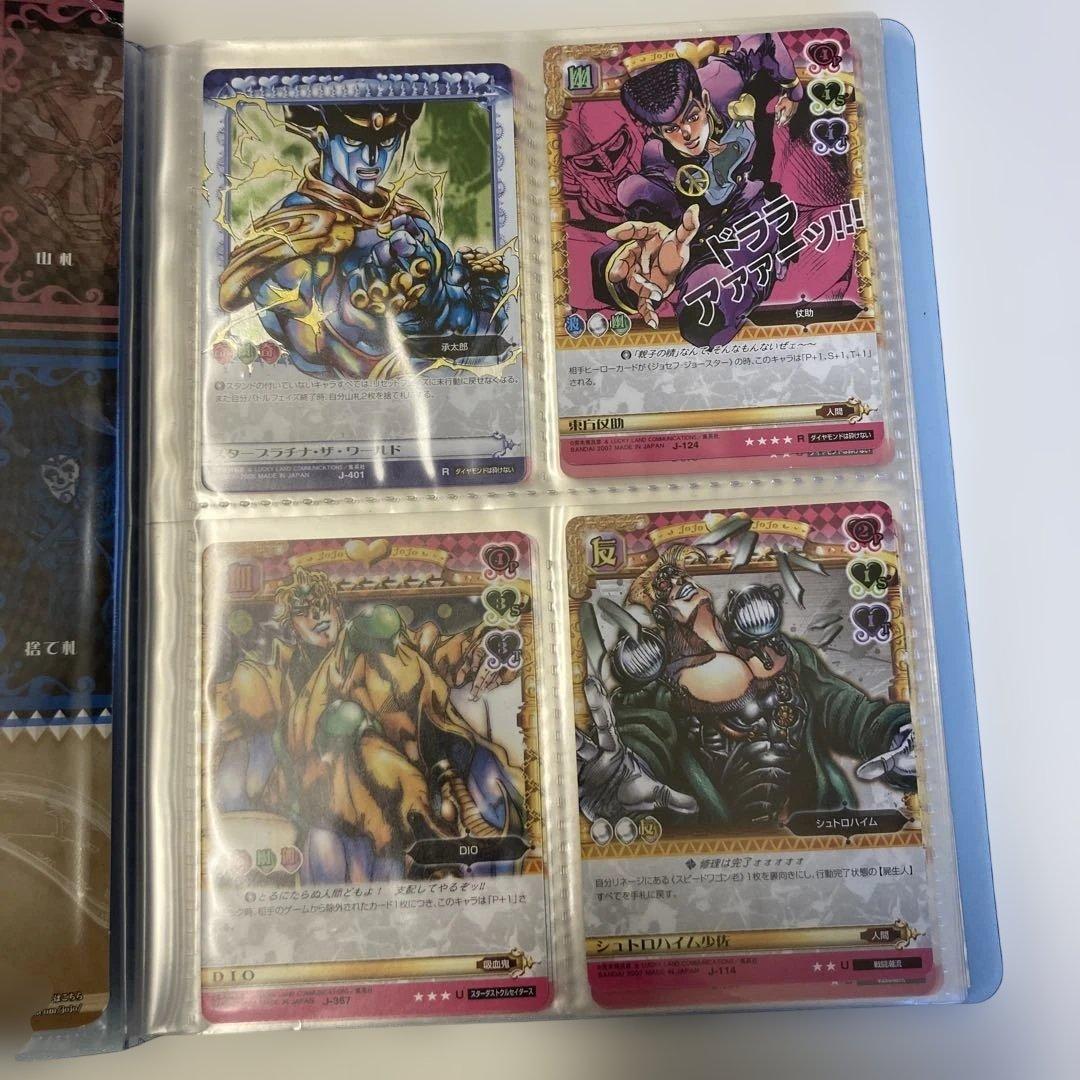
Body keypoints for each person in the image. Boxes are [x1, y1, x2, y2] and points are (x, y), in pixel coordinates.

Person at [576, 544, 915, 828]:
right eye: (665, 588)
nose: (678, 584)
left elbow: (839, 706)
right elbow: (644, 732)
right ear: (662, 613)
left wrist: (894, 734)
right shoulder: (662, 690)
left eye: (679, 577)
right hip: (715, 845)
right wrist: (620, 776)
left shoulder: (783, 655)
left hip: (809, 825)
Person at [218, 102, 510, 378]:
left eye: (385, 142)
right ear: (323, 138)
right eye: (353, 141)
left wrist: (474, 293)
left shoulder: (408, 216)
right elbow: (324, 355)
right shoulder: (295, 234)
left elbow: (475, 344)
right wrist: (381, 308)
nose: (372, 158)